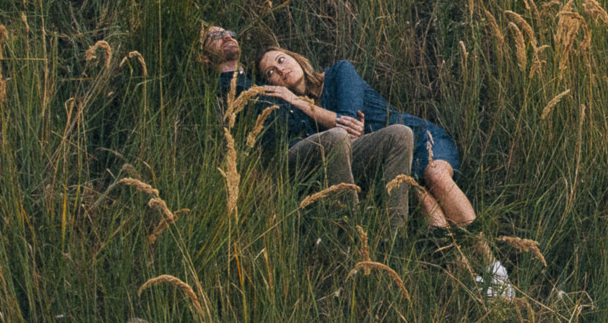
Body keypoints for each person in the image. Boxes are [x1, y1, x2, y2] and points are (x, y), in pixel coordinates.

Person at [198, 26, 414, 226]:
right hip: (286, 159)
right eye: (215, 36)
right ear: (205, 58)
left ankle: (394, 232)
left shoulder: (259, 83)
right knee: (337, 137)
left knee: (400, 134)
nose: (226, 36)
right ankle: (351, 231)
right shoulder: (219, 90)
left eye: (228, 32)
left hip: (323, 147)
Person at [257, 47, 477, 232]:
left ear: (294, 56)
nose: (281, 69)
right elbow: (343, 137)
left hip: (420, 139)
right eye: (271, 72)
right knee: (428, 207)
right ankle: (466, 271)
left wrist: (298, 101)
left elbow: (348, 121)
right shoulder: (299, 118)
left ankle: (492, 267)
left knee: (435, 175)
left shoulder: (339, 72)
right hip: (393, 162)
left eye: (281, 59)